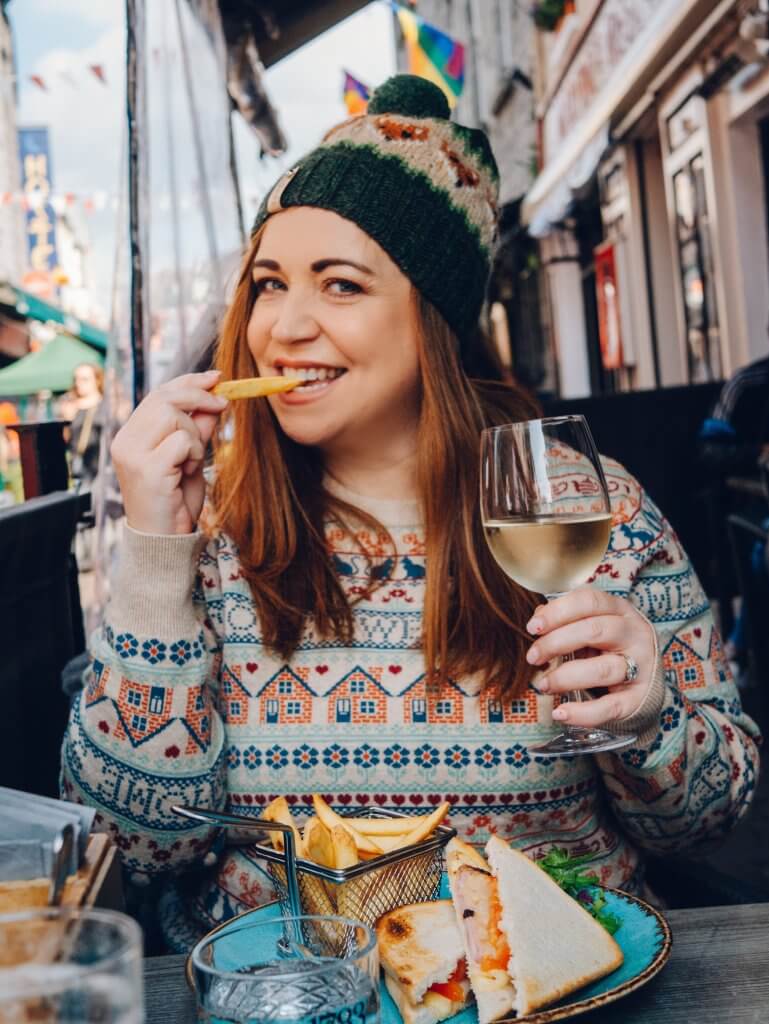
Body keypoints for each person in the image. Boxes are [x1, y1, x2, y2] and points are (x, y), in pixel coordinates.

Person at [61, 75, 760, 953]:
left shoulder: (594, 507)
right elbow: (137, 844)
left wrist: (643, 718)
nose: (284, 327)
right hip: (283, 998)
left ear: (432, 317)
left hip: (553, 987)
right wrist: (156, 556)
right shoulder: (210, 532)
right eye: (270, 284)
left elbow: (709, 816)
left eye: (341, 285)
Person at [62, 361, 105, 490]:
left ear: (97, 380)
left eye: (85, 379)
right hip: (78, 468)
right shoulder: (70, 406)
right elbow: (65, 440)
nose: (79, 383)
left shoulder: (106, 406)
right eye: (77, 379)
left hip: (100, 469)